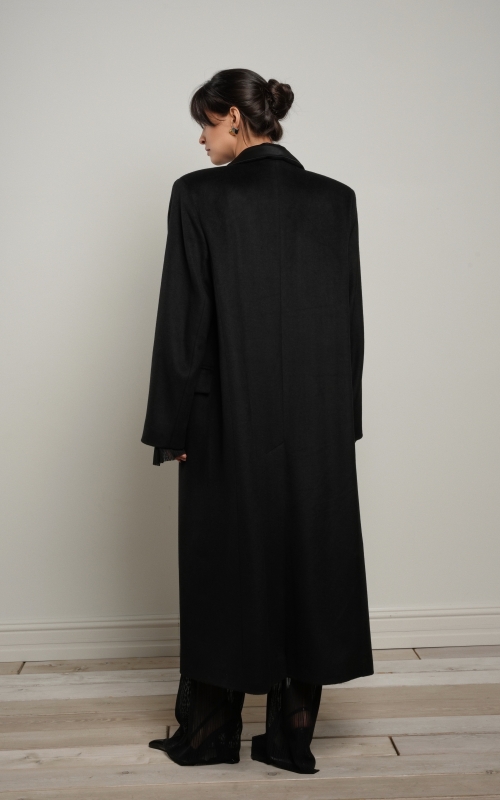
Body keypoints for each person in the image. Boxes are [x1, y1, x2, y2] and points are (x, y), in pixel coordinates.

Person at [141, 68, 374, 774]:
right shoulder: (335, 199)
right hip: (317, 416)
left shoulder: (198, 194)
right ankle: (291, 738)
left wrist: (172, 427)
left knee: (224, 561)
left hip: (223, 415)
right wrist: (344, 418)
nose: (201, 139)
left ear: (236, 120)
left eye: (206, 123)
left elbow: (184, 321)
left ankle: (211, 733)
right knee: (307, 559)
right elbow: (349, 319)